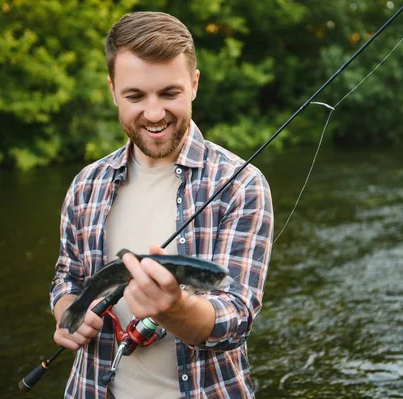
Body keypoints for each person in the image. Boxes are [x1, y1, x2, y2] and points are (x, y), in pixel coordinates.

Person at [49, 10, 274, 399]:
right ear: (112, 90)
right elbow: (66, 278)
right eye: (135, 96)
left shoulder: (242, 185)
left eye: (169, 93)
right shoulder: (85, 185)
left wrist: (175, 310)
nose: (154, 114)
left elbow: (236, 316)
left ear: (194, 85)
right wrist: (68, 311)